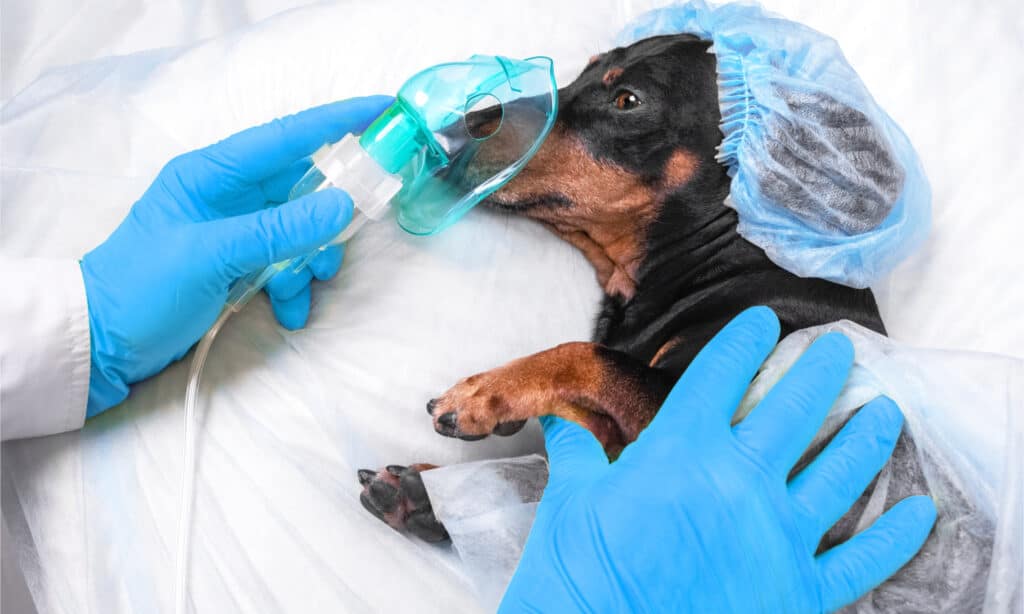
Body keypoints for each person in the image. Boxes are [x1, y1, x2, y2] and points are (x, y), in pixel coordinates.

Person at [0, 100, 936, 611]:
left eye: (620, 102)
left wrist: (78, 326)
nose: (534, 117)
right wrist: (86, 332)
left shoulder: (806, 326)